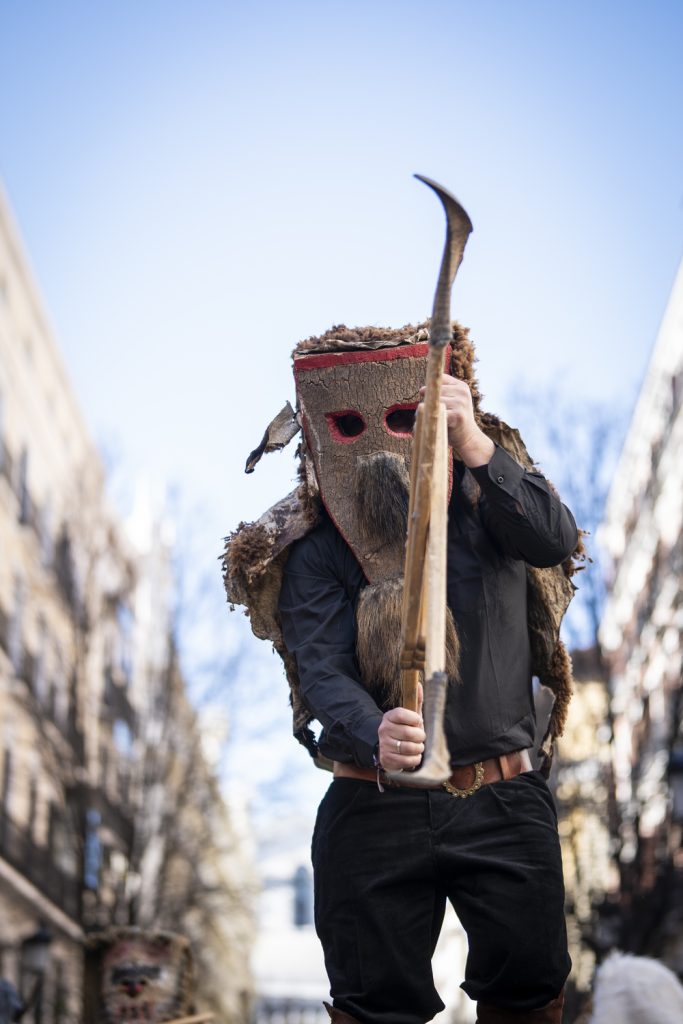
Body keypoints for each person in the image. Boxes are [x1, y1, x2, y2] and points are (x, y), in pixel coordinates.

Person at [223, 320, 581, 1024]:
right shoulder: (313, 548)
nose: (379, 438)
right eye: (349, 425)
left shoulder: (489, 502)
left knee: (528, 995)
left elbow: (554, 538)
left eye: (402, 417)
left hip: (501, 797)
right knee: (373, 1007)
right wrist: (373, 728)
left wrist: (474, 444)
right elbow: (320, 668)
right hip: (371, 805)